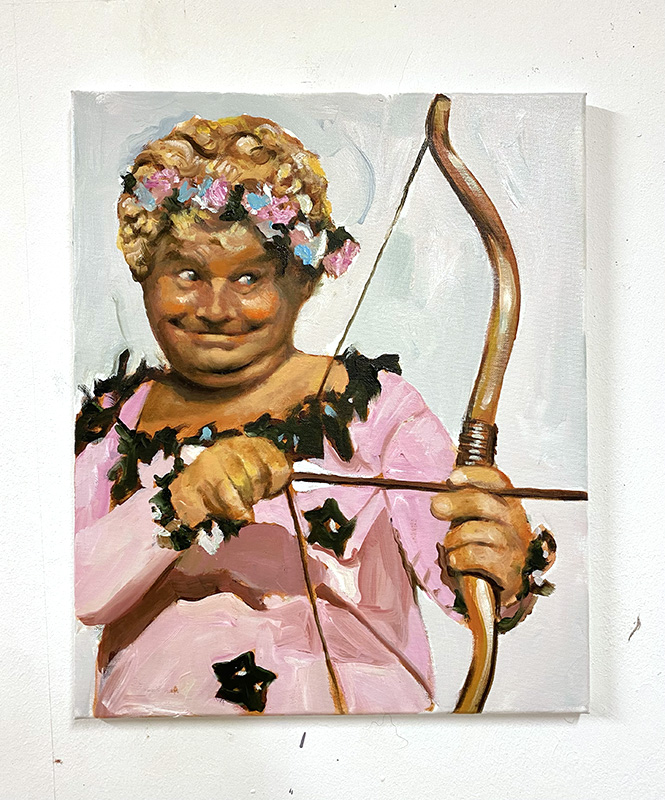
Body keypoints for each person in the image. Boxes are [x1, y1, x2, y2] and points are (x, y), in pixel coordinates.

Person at [75, 114, 555, 717]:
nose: (215, 308)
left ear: (302, 281)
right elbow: (74, 590)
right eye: (188, 273)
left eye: (249, 277)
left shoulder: (375, 409)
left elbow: (463, 579)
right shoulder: (113, 422)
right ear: (145, 269)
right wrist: (181, 500)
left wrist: (497, 561)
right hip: (152, 738)